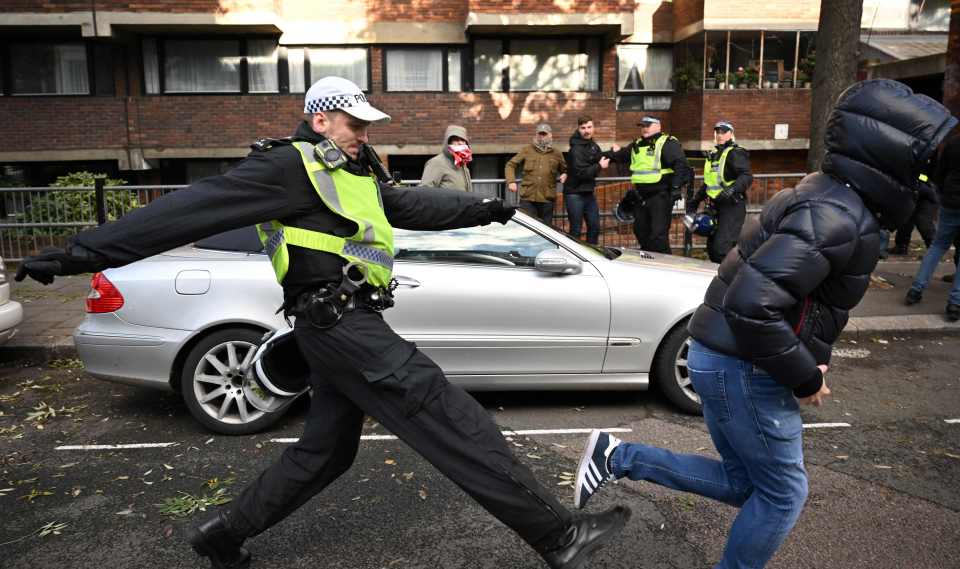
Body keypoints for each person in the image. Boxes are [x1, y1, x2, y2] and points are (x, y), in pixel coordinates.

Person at [15, 76, 631, 569]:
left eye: (367, 124)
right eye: (355, 123)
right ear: (320, 119)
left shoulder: (350, 172)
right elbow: (187, 211)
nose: (364, 133)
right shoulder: (287, 168)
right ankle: (558, 535)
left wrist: (488, 208)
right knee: (449, 416)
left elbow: (405, 203)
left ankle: (222, 534)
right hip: (341, 328)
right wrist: (79, 254)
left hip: (338, 326)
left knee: (326, 452)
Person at [572, 79, 957, 568]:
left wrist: (812, 359)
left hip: (723, 357)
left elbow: (801, 301)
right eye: (929, 160)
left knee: (746, 486)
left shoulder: (829, 195)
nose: (933, 174)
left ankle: (616, 457)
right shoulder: (837, 213)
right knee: (783, 495)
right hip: (744, 367)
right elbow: (754, 304)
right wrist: (803, 374)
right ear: (897, 157)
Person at [606, 116, 693, 254]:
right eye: (642, 126)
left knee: (658, 235)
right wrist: (603, 156)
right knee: (640, 230)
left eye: (648, 125)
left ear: (658, 126)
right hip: (641, 197)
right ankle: (649, 263)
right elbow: (621, 155)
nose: (644, 128)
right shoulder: (637, 144)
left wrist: (676, 188)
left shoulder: (667, 143)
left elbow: (681, 165)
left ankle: (665, 266)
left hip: (661, 196)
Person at [905, 133, 960, 321]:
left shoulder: (953, 143)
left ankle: (916, 289)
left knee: (937, 246)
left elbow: (939, 173)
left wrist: (943, 194)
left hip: (951, 201)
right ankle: (955, 302)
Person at [687, 121, 753, 263]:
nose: (720, 135)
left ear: (731, 134)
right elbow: (710, 183)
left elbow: (746, 176)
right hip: (716, 206)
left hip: (731, 206)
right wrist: (696, 200)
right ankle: (720, 277)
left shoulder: (735, 153)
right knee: (712, 248)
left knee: (721, 248)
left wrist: (732, 189)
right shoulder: (714, 154)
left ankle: (730, 279)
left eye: (723, 132)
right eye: (717, 132)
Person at [505, 123, 568, 225]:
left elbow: (565, 169)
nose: (542, 137)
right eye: (540, 134)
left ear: (550, 135)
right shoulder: (527, 150)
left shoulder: (557, 153)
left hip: (546, 199)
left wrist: (565, 174)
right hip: (528, 198)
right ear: (536, 135)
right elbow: (510, 164)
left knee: (546, 229)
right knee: (527, 229)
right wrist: (511, 181)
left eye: (544, 134)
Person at [562, 116, 608, 244]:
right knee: (576, 229)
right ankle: (575, 258)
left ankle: (592, 255)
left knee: (594, 227)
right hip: (574, 194)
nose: (586, 131)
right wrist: (599, 166)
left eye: (589, 127)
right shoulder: (576, 149)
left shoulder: (592, 145)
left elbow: (600, 157)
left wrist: (615, 153)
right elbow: (581, 173)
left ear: (593, 128)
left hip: (588, 193)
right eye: (583, 128)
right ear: (578, 129)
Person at [421, 124, 473, 191]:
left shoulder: (462, 164)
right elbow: (425, 191)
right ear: (448, 142)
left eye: (463, 140)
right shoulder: (436, 163)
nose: (460, 143)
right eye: (456, 140)